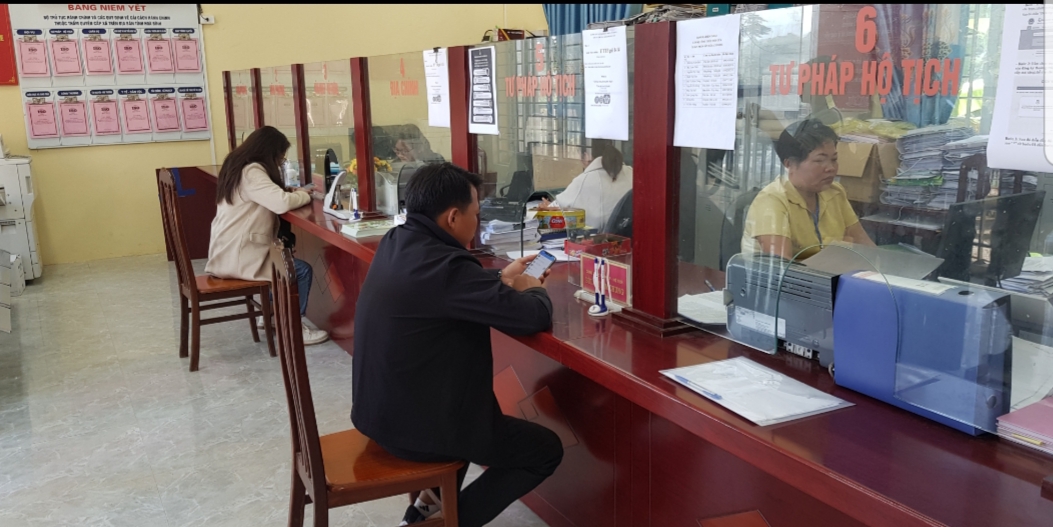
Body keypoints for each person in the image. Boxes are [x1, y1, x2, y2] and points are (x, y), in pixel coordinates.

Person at [351, 162, 563, 527]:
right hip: (417, 427)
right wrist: (534, 289)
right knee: (543, 450)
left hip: (379, 413)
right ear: (453, 217)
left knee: (465, 424)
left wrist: (500, 277)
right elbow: (532, 317)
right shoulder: (447, 267)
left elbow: (446, 288)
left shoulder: (398, 240)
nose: (477, 223)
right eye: (476, 214)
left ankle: (419, 517)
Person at [205, 126, 329, 345]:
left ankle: (270, 315)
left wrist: (289, 192)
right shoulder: (251, 171)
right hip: (239, 255)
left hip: (228, 248)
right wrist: (304, 195)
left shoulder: (236, 165)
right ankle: (293, 328)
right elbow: (281, 204)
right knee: (298, 270)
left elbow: (266, 195)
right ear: (269, 153)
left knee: (279, 260)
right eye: (280, 159)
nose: (280, 163)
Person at [741, 119, 875, 260]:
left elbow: (865, 246)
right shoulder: (771, 201)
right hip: (795, 275)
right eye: (819, 161)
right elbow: (781, 267)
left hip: (830, 272)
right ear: (789, 164)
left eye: (834, 159)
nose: (830, 168)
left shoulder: (835, 193)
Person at [541, 139, 633, 231]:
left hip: (599, 238)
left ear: (586, 156)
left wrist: (550, 207)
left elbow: (553, 212)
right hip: (629, 237)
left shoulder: (583, 180)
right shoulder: (632, 173)